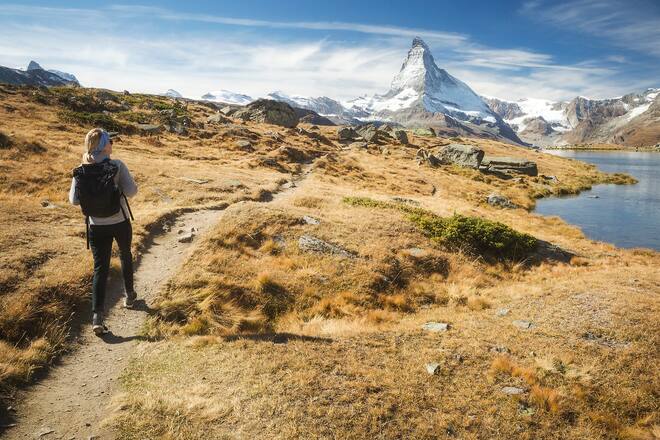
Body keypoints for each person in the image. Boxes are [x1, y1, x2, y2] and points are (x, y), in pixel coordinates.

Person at [69, 128, 138, 335]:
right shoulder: (116, 166)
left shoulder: (81, 168)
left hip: (95, 226)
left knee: (100, 268)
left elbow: (73, 200)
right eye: (110, 141)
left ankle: (97, 317)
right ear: (104, 145)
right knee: (125, 254)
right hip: (120, 222)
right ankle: (129, 296)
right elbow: (132, 192)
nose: (112, 144)